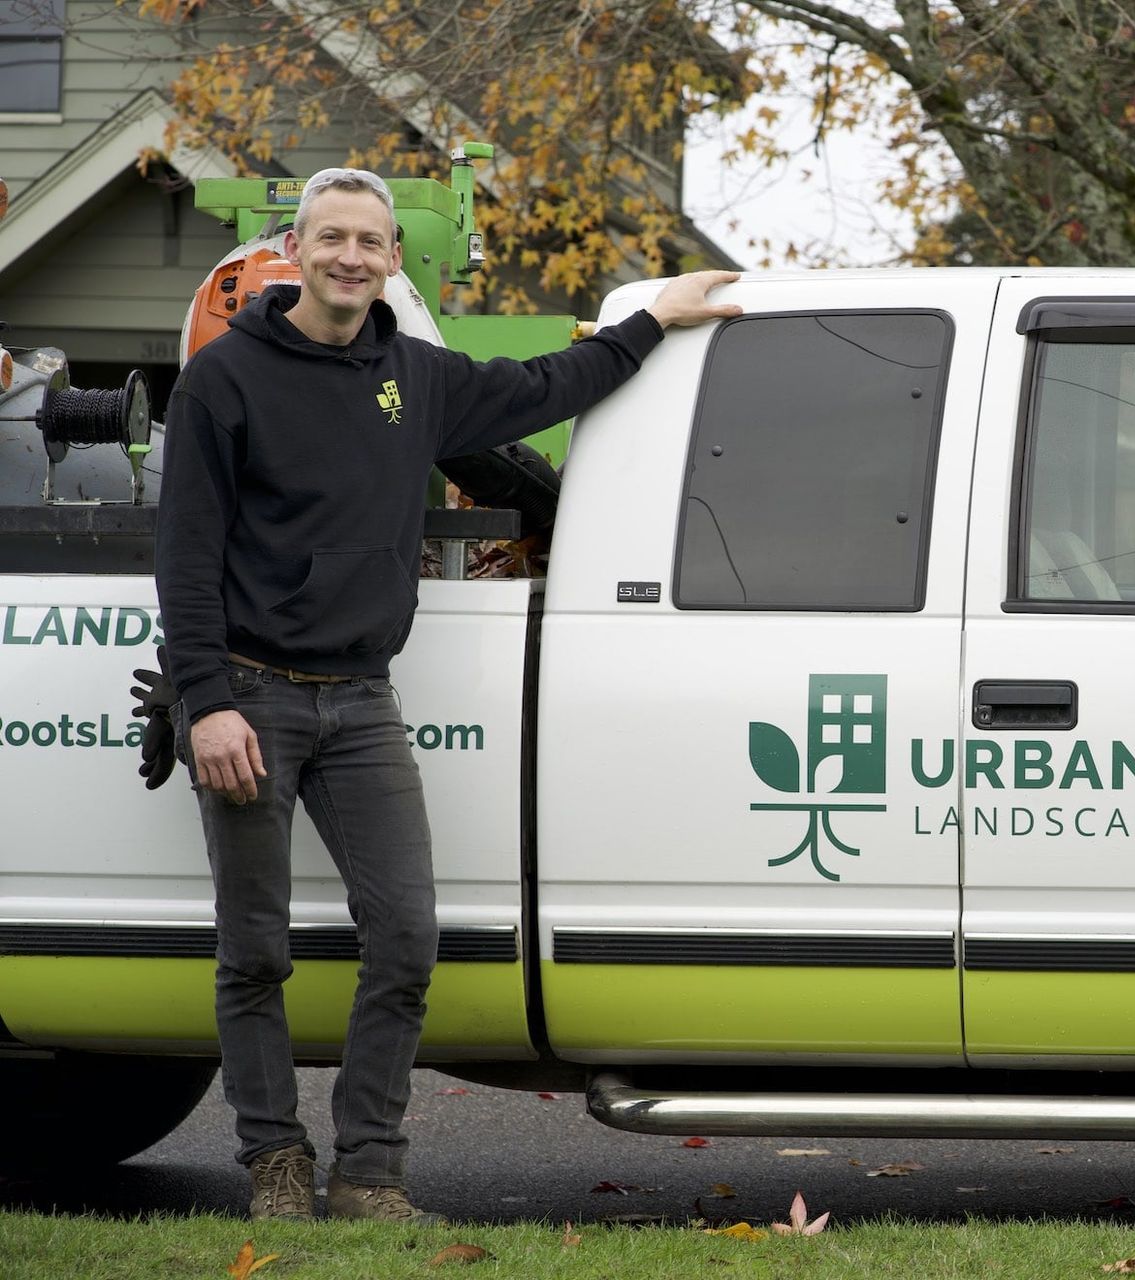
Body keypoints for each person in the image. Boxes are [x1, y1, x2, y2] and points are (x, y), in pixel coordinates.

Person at [155, 167, 739, 1223]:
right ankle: (276, 1163)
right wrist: (206, 700)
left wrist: (653, 316)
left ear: (389, 260)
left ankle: (370, 1173)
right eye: (331, 238)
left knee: (406, 936)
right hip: (251, 694)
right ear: (296, 249)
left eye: (370, 242)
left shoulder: (414, 378)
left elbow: (546, 386)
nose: (351, 257)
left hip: (359, 701)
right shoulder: (226, 380)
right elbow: (185, 553)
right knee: (255, 949)